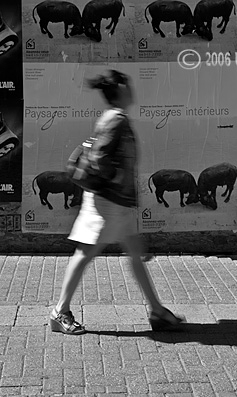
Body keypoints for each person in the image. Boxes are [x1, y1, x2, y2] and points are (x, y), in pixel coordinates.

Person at [50, 69, 184, 335]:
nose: (132, 89)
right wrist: (117, 176)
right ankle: (59, 312)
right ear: (120, 90)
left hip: (116, 203)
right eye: (128, 84)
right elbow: (99, 158)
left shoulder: (115, 118)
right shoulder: (116, 119)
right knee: (85, 253)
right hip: (106, 204)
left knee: (134, 255)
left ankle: (157, 311)